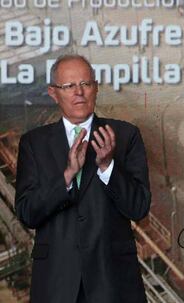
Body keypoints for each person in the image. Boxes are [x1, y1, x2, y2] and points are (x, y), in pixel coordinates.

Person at [15, 54, 151, 303]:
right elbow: (27, 213)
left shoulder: (125, 135)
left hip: (113, 282)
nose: (79, 92)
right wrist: (66, 177)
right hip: (56, 284)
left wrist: (108, 166)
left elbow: (139, 207)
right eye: (69, 86)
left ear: (96, 88)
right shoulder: (34, 144)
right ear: (53, 93)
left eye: (85, 84)